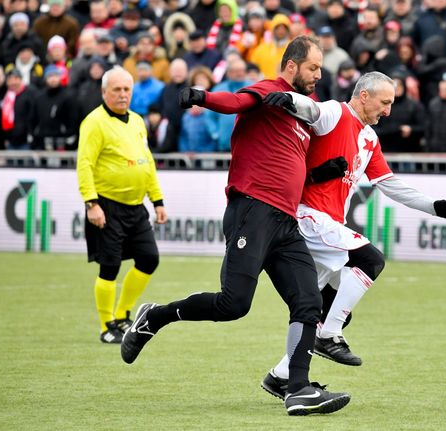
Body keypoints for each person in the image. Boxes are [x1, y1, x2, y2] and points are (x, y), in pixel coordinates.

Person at [120, 36, 351, 416]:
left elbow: (291, 170)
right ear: (291, 66)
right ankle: (153, 317)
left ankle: (298, 388)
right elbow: (236, 102)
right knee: (233, 305)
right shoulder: (268, 90)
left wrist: (321, 172)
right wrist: (201, 96)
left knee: (308, 301)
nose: (318, 74)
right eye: (312, 67)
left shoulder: (299, 115)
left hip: (285, 221)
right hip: (253, 212)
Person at [256, 72, 446, 395]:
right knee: (369, 260)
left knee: (318, 307)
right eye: (385, 103)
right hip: (309, 217)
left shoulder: (369, 138)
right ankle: (329, 336)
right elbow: (312, 110)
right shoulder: (336, 113)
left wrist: (435, 207)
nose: (388, 112)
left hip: (326, 227)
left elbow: (390, 184)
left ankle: (282, 375)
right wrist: (289, 99)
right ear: (364, 96)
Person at [76, 66, 168, 344]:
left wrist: (158, 200)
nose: (122, 94)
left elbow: (147, 163)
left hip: (135, 206)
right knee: (110, 266)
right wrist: (92, 203)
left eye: (127, 89)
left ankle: (122, 314)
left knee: (149, 259)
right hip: (107, 205)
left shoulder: (138, 121)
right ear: (104, 92)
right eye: (116, 89)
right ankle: (107, 327)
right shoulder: (94, 122)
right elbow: (84, 164)